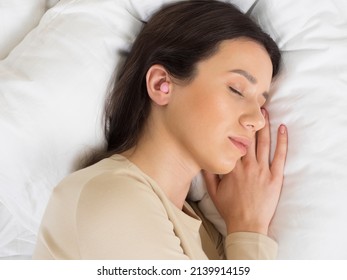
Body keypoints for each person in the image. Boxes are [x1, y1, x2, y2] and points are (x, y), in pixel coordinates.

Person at [33, 0, 288, 260]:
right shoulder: (112, 200)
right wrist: (249, 230)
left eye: (261, 102)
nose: (257, 119)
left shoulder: (203, 233)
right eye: (236, 89)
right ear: (161, 84)